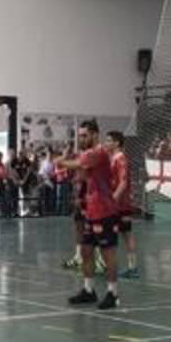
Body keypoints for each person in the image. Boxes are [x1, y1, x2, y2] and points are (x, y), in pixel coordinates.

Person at [59, 120, 120, 310]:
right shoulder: (89, 154)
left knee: (107, 252)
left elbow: (76, 164)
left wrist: (60, 160)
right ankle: (89, 290)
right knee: (86, 251)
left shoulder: (98, 152)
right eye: (80, 136)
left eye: (84, 135)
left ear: (95, 135)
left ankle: (113, 293)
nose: (81, 139)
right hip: (92, 210)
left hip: (105, 210)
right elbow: (82, 174)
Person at [106, 131, 139, 278]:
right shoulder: (113, 158)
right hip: (115, 204)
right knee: (119, 235)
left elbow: (124, 182)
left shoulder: (121, 159)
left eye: (109, 141)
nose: (107, 143)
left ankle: (132, 268)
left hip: (121, 205)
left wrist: (113, 199)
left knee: (126, 235)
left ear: (117, 143)